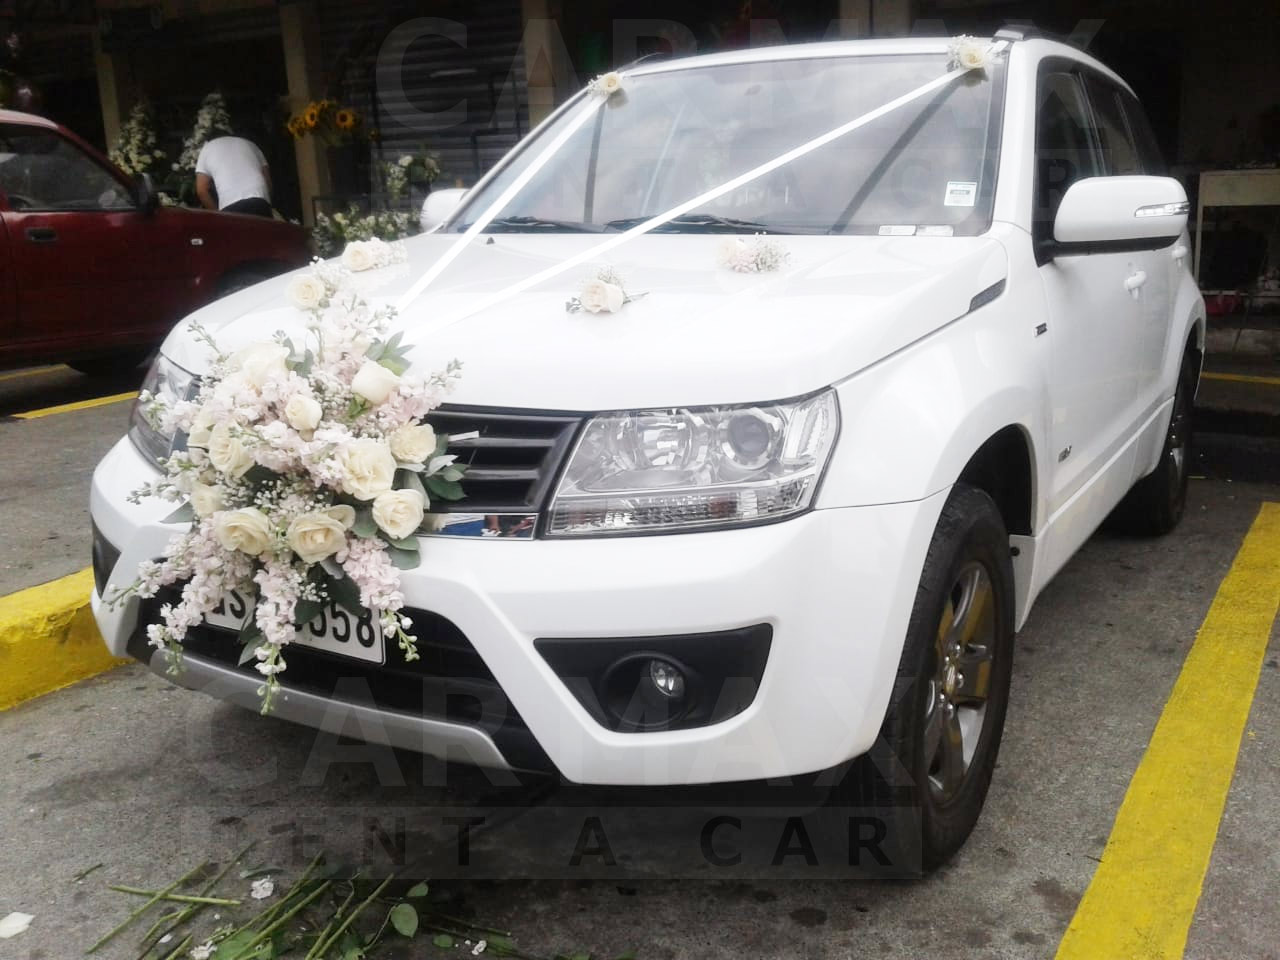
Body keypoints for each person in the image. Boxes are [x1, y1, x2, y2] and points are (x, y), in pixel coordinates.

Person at [195, 132, 273, 217]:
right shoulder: (250, 144)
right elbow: (267, 178)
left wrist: (219, 214)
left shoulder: (207, 148)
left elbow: (202, 190)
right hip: (260, 196)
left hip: (230, 202)